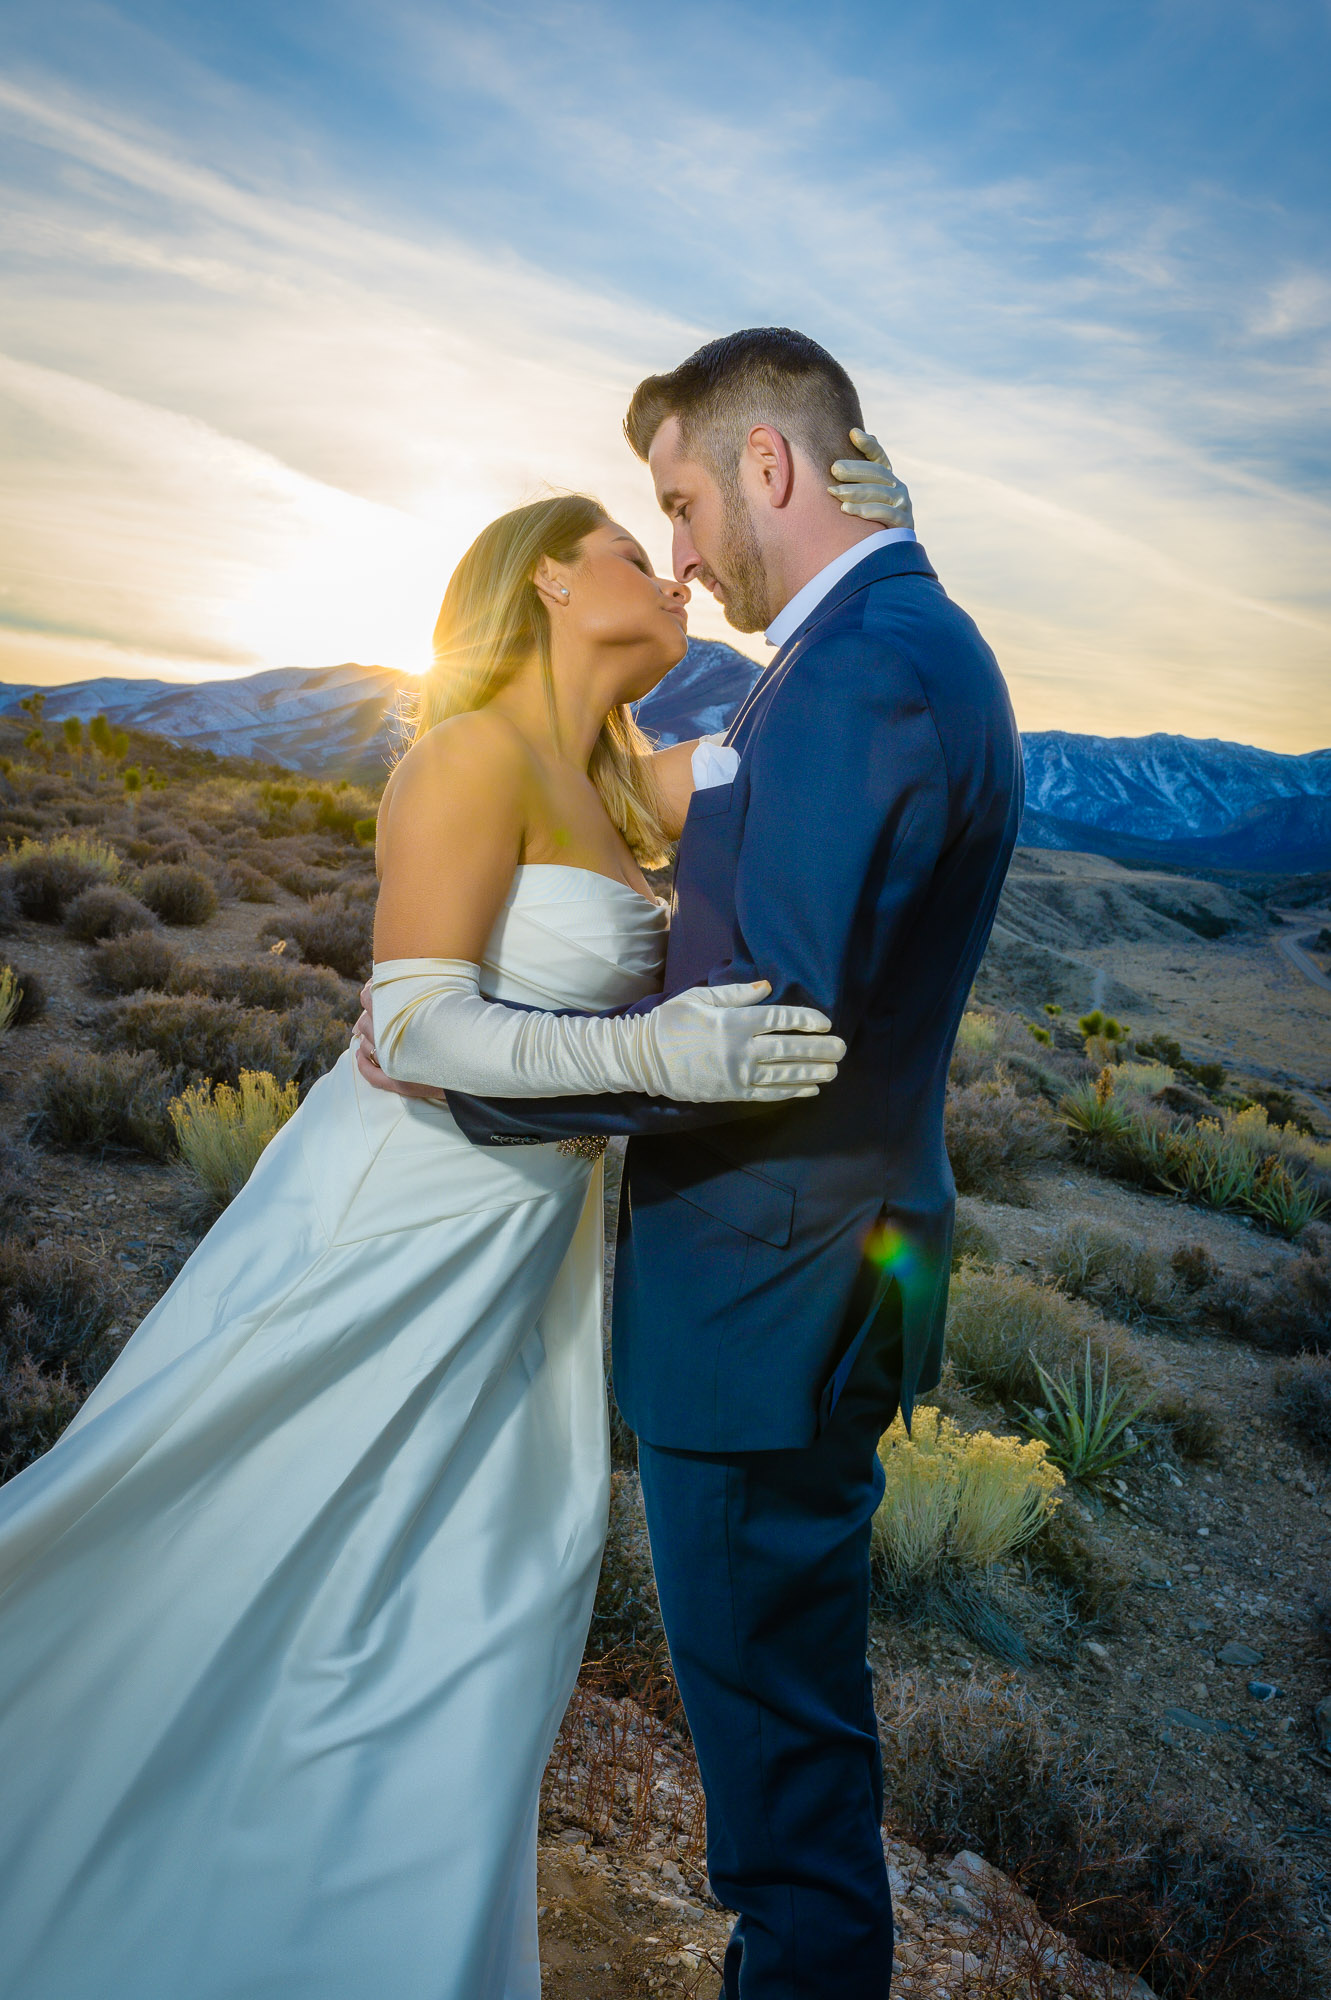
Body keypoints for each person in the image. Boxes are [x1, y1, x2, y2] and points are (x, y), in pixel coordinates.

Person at [0, 492, 864, 2000]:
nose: (667, 568)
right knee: (230, 1537)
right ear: (544, 577)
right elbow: (410, 1021)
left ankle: (357, 1924)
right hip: (392, 1225)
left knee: (477, 1604)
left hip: (518, 1253)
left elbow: (809, 726)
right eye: (626, 543)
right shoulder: (465, 754)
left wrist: (855, 543)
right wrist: (659, 1051)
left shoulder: (620, 774)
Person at [396, 328, 1025, 1999]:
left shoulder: (866, 665)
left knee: (782, 1795)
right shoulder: (877, 637)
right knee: (785, 1740)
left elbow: (775, 1031)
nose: (675, 546)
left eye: (679, 500)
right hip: (801, 1277)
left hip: (768, 1296)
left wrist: (487, 1097)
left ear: (768, 467)